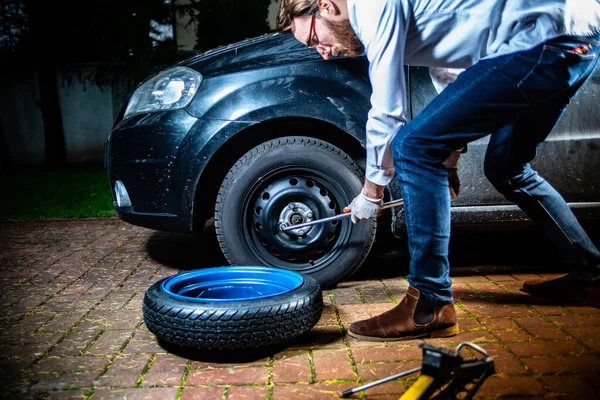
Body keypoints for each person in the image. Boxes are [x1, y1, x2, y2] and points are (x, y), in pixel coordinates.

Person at [277, 0, 600, 342]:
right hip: (578, 42)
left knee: (412, 147)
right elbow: (453, 76)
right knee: (507, 167)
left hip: (542, 43)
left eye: (315, 40)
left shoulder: (370, 7)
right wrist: (448, 165)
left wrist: (372, 192)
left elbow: (388, 110)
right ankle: (590, 273)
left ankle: (429, 302)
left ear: (325, 6)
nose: (324, 53)